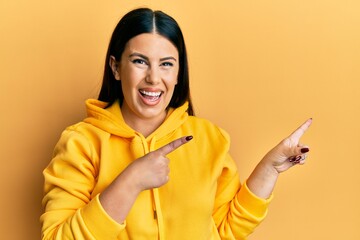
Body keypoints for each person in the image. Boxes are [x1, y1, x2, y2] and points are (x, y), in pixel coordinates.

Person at [40, 8, 312, 240]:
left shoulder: (209, 138)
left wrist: (269, 169)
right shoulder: (81, 142)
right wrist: (131, 181)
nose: (153, 78)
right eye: (139, 61)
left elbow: (225, 229)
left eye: (166, 64)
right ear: (115, 67)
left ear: (179, 72)